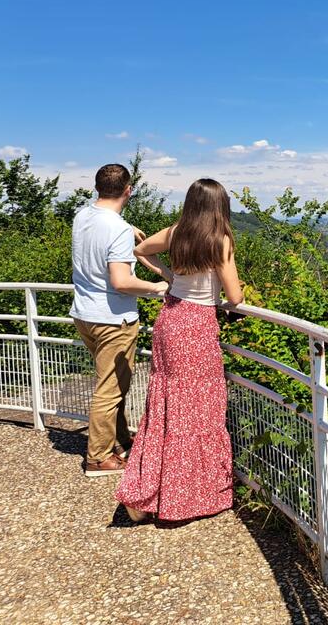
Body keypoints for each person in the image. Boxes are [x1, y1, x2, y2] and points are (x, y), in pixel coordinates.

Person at [115, 178, 244, 523]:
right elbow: (234, 297)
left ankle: (147, 491)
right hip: (199, 326)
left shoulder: (176, 232)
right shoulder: (220, 240)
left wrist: (170, 277)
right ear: (220, 207)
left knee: (167, 406)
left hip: (170, 319)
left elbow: (142, 251)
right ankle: (188, 496)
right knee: (200, 409)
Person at [70, 164, 169, 477]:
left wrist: (128, 228)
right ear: (129, 190)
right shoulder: (117, 229)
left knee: (111, 384)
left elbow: (103, 227)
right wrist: (159, 286)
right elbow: (122, 281)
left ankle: (119, 440)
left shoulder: (83, 216)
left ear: (98, 187)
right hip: (113, 319)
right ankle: (98, 457)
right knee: (110, 390)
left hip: (84, 315)